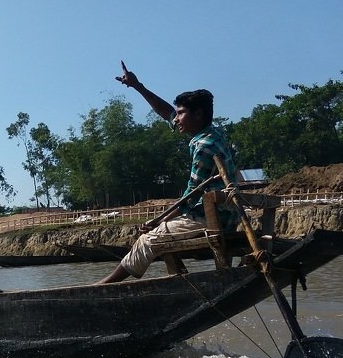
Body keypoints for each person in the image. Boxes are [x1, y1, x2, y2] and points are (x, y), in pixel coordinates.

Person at [98, 61, 240, 283]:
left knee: (147, 240)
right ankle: (180, 278)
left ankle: (103, 287)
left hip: (213, 220)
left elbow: (190, 196)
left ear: (198, 114)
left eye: (181, 113)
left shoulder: (204, 147)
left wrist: (158, 220)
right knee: (161, 230)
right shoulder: (214, 132)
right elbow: (166, 113)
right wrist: (137, 86)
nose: (176, 119)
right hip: (227, 215)